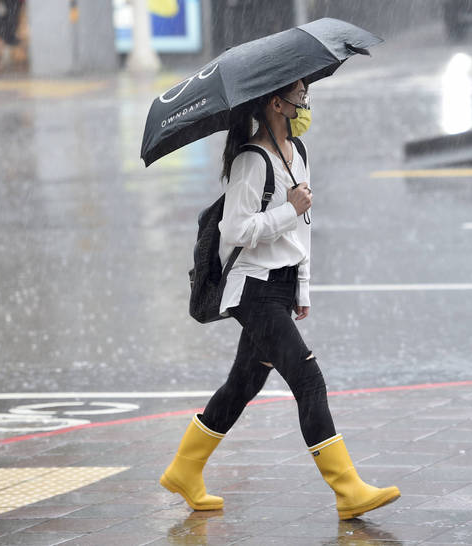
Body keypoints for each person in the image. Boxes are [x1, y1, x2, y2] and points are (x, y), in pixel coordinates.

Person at [160, 79, 400, 520]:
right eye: (300, 96)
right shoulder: (251, 162)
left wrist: (301, 286)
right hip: (254, 290)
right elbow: (236, 232)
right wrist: (288, 208)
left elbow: (303, 227)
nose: (306, 103)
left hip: (281, 286)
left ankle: (184, 469)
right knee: (309, 381)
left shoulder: (299, 153)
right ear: (276, 103)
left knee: (242, 385)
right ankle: (347, 490)